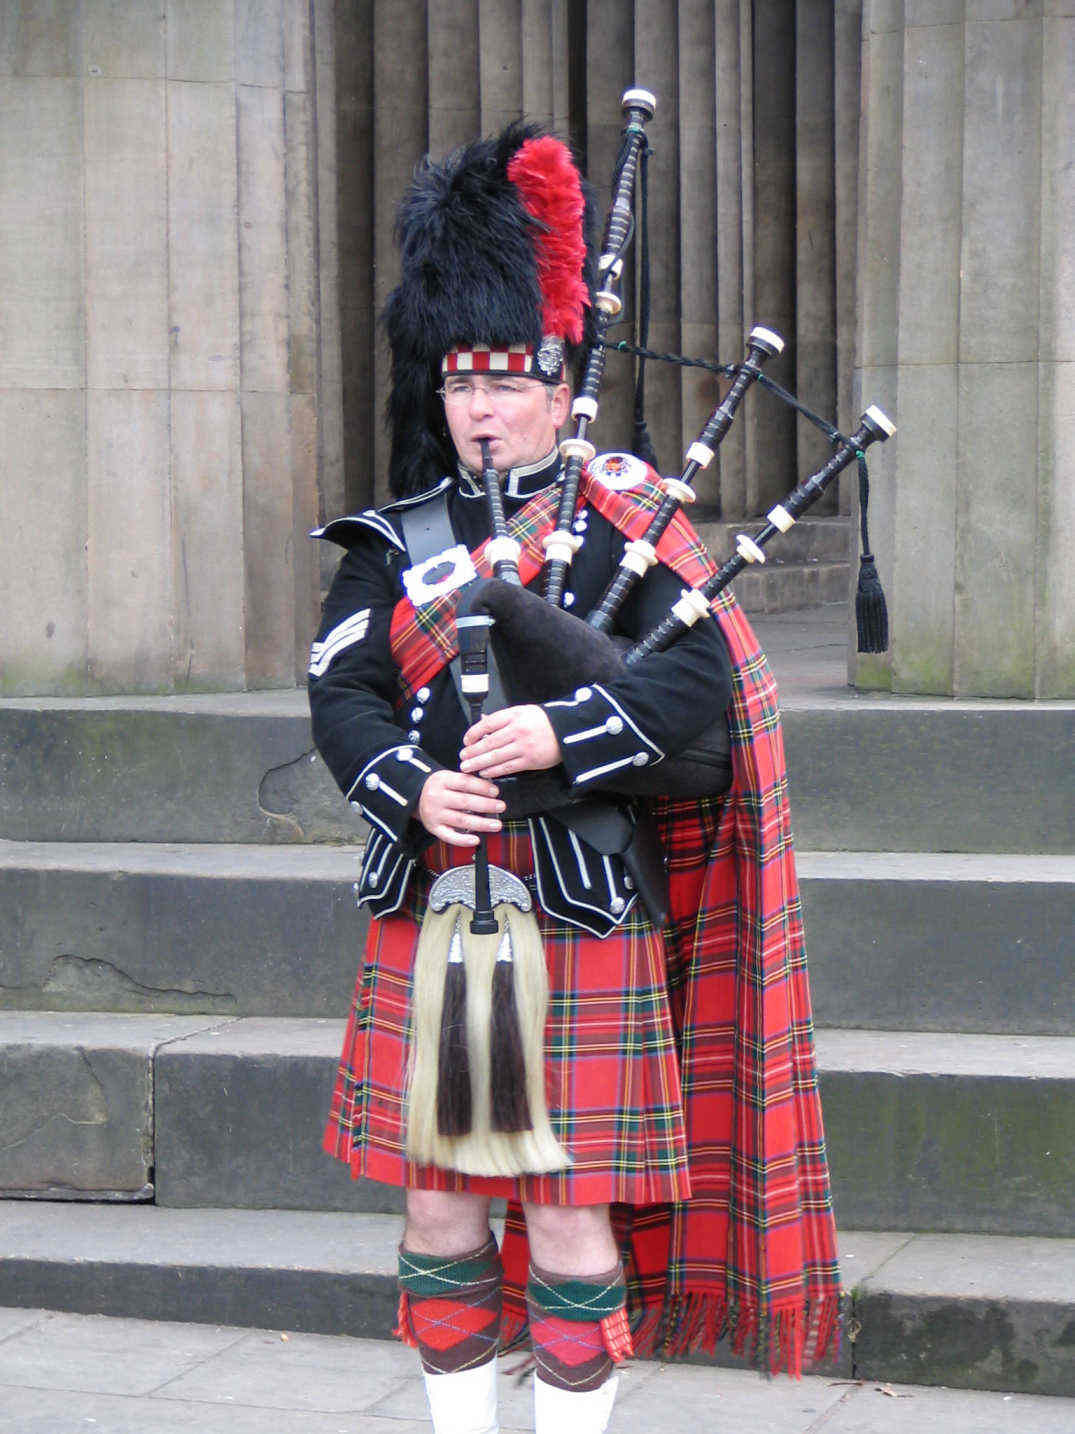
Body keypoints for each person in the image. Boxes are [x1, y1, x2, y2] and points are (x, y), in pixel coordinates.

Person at [309, 122, 839, 1434]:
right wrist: (409, 787)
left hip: (583, 899)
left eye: (507, 383)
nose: (480, 408)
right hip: (434, 895)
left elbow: (700, 685)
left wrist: (560, 736)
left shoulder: (627, 517)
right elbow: (341, 691)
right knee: (438, 1202)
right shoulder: (393, 541)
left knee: (564, 1202)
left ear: (559, 390)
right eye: (460, 385)